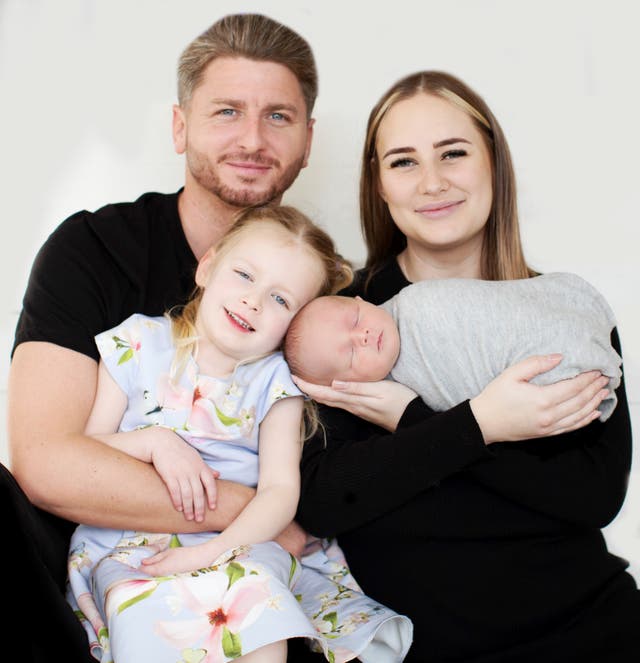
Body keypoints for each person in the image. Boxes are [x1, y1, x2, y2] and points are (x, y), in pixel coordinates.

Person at [5, 13, 327, 662]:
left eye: (279, 117)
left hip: (247, 565)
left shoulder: (314, 289)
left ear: (308, 140)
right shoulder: (93, 251)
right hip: (107, 557)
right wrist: (248, 505)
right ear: (180, 127)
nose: (253, 138)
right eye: (227, 111)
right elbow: (45, 461)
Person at [293, 71, 640, 662]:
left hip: (595, 631)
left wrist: (413, 434)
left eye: (453, 153)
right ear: (378, 185)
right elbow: (323, 499)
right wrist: (478, 423)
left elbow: (591, 496)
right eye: (403, 162)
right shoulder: (345, 321)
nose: (433, 182)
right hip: (424, 649)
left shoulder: (559, 311)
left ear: (493, 164)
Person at [66, 205, 412, 663]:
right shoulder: (137, 344)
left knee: (253, 592)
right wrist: (154, 442)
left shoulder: (275, 385)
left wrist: (209, 553)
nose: (253, 301)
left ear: (296, 329)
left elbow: (279, 493)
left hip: (237, 541)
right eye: (244, 275)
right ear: (208, 267)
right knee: (142, 608)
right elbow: (83, 453)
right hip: (133, 543)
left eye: (281, 300)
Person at [284, 272, 622, 420]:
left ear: (361, 300)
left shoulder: (416, 301)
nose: (364, 337)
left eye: (356, 320)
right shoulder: (384, 397)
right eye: (352, 354)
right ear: (345, 388)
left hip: (559, 319)